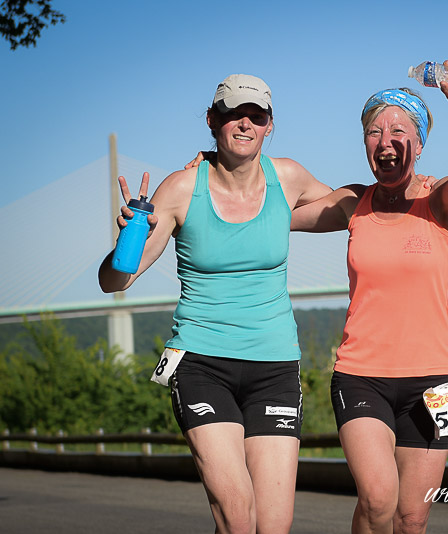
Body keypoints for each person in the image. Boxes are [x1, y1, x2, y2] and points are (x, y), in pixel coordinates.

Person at [98, 74, 334, 534]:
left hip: (274, 366)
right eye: (232, 114)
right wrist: (129, 237)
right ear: (212, 120)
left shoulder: (288, 178)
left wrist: (414, 188)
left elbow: (355, 208)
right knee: (236, 512)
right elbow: (115, 281)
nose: (245, 123)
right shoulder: (181, 188)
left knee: (273, 525)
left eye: (256, 116)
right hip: (202, 363)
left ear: (269, 125)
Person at [291, 41, 448, 534]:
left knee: (412, 517)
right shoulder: (352, 203)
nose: (386, 139)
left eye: (399, 130)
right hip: (362, 375)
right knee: (378, 500)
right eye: (374, 131)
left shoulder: (440, 202)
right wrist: (217, 174)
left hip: (434, 380)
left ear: (419, 144)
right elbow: (272, 215)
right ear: (365, 144)